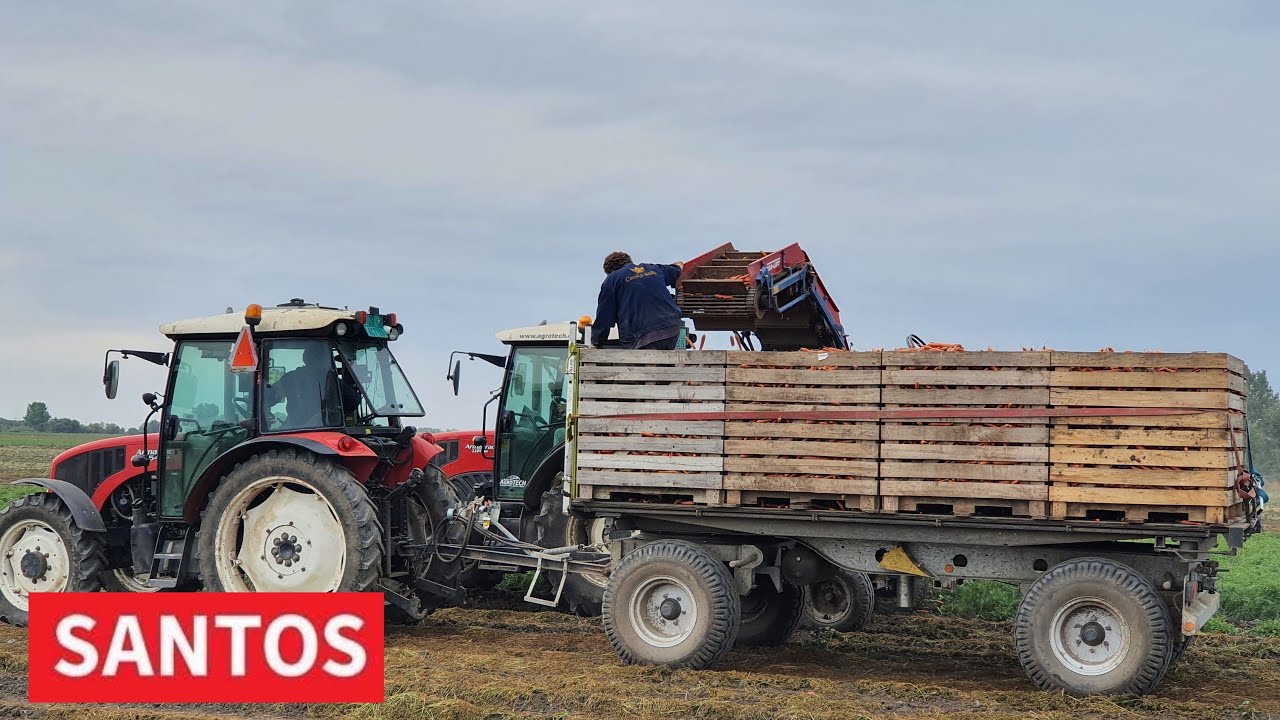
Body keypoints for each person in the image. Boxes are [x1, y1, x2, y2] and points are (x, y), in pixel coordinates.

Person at [592, 251, 685, 350]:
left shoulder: (612, 280)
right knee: (663, 361)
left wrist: (597, 342)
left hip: (640, 336)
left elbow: (604, 317)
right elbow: (677, 269)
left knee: (641, 360)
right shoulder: (654, 269)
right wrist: (679, 264)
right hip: (671, 329)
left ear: (610, 272)